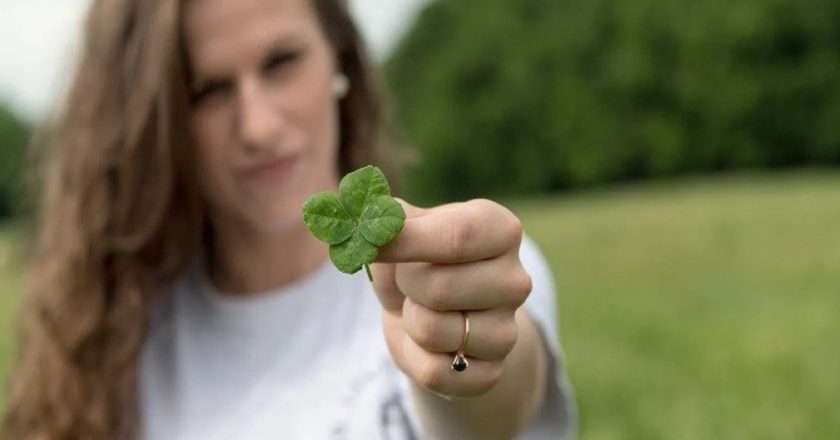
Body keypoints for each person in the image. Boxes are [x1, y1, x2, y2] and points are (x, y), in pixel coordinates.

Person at [1, 0, 575, 438]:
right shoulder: (121, 340)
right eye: (208, 90)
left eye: (281, 62)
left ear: (339, 60)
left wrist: (459, 359)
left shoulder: (450, 270)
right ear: (161, 123)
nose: (258, 128)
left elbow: (495, 412)